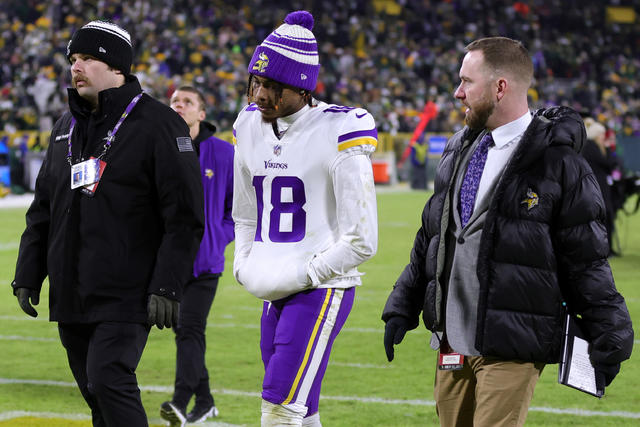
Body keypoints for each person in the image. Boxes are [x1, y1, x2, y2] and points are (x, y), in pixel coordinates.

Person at [382, 37, 634, 427]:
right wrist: (403, 303)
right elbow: (432, 234)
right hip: (451, 338)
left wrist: (611, 331)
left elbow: (585, 257)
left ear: (500, 88)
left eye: (467, 82)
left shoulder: (559, 162)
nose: (457, 92)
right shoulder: (457, 148)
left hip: (512, 340)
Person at [11, 21, 204, 427]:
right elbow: (44, 205)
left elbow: (184, 215)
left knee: (109, 379)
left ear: (116, 66)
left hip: (127, 290)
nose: (76, 67)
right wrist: (29, 271)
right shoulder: (66, 127)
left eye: (87, 58)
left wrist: (168, 284)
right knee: (97, 396)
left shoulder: (159, 124)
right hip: (72, 289)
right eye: (73, 60)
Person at [232, 10, 378, 426]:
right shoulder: (249, 125)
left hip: (320, 287)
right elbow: (245, 213)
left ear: (301, 88)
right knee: (302, 408)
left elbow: (362, 239)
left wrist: (309, 273)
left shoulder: (339, 129)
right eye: (256, 82)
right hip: (273, 285)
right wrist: (244, 263)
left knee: (280, 406)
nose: (260, 95)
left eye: (272, 86)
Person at [160, 86, 234, 426]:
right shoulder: (159, 149)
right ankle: (205, 401)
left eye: (187, 102)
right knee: (185, 332)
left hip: (205, 263)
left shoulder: (224, 154)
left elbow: (242, 209)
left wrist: (219, 237)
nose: (179, 105)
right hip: (169, 262)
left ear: (201, 114)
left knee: (189, 330)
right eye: (174, 101)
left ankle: (179, 402)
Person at [581, 117, 617, 256]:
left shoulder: (593, 147)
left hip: (600, 186)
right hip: (598, 186)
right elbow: (608, 164)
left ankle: (608, 247)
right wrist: (609, 149)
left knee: (605, 216)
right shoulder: (591, 147)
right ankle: (604, 248)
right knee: (603, 216)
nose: (603, 137)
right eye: (601, 134)